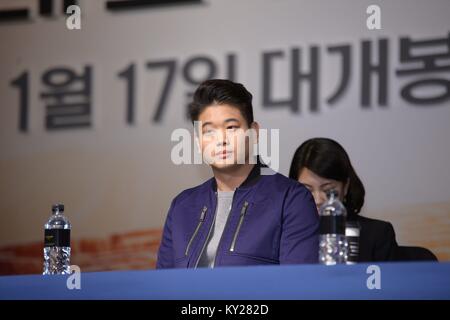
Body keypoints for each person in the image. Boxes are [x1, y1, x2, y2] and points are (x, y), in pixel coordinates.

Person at [157, 79, 319, 268]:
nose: (221, 140)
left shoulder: (291, 199)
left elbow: (299, 286)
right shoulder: (182, 207)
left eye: (231, 127)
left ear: (254, 131)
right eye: (209, 131)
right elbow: (163, 286)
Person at [289, 137, 398, 262]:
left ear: (345, 187)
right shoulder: (281, 236)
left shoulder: (377, 235)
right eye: (307, 190)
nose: (318, 200)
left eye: (327, 189)